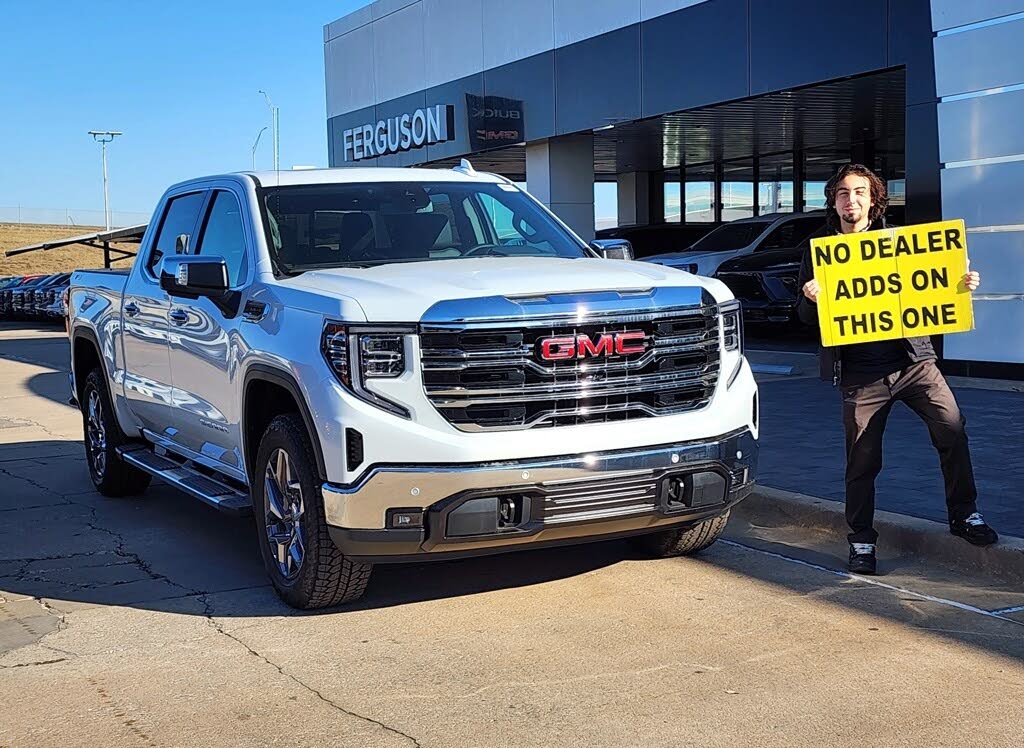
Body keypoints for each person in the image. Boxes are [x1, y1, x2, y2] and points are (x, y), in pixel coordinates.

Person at [796, 163, 997, 575]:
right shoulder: (818, 249)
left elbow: (931, 286)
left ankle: (964, 514)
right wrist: (810, 299)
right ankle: (862, 540)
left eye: (859, 193)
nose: (851, 201)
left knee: (953, 431)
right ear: (833, 201)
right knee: (862, 460)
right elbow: (801, 318)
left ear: (874, 199)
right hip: (860, 375)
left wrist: (961, 285)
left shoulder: (899, 242)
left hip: (915, 363)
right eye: (843, 194)